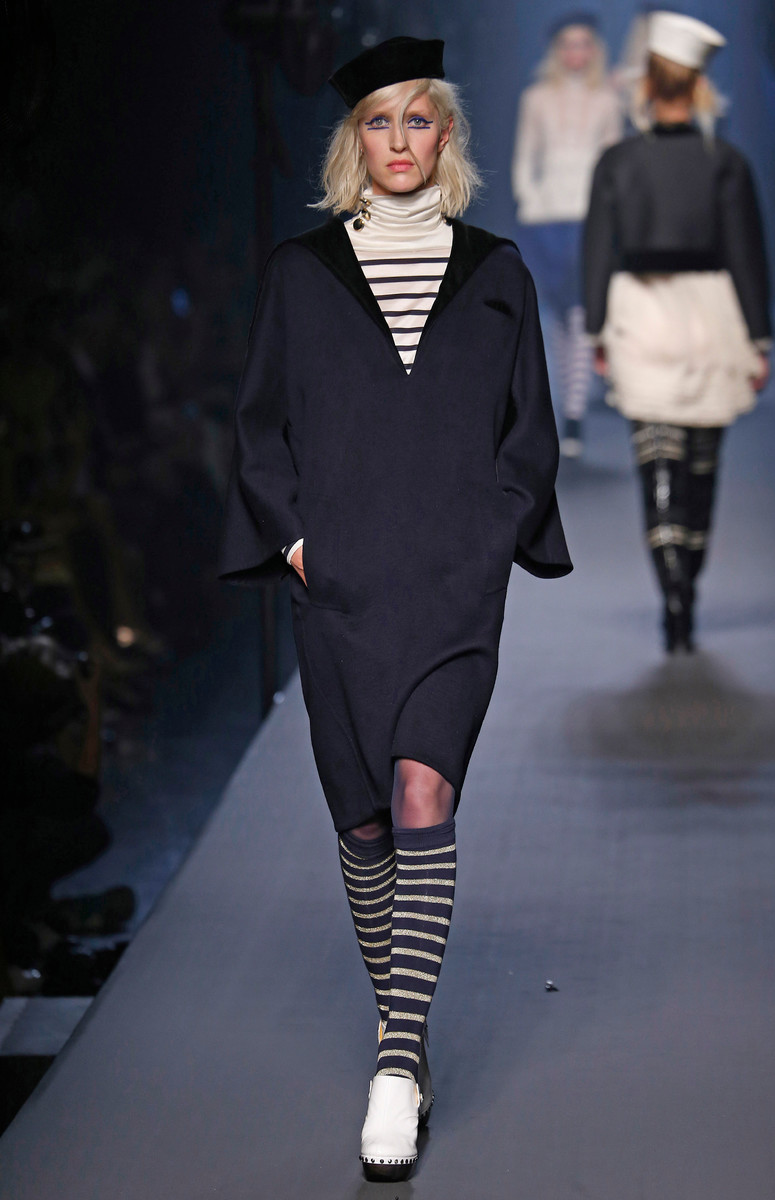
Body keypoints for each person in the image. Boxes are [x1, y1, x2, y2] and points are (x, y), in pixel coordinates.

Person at [219, 36, 571, 1182]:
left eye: (417, 119)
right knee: (365, 824)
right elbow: (259, 428)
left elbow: (528, 433)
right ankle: (405, 1039)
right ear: (353, 141)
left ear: (445, 134)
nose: (399, 140)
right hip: (343, 587)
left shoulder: (496, 273)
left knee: (424, 790)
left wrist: (492, 534)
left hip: (453, 587)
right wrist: (297, 543)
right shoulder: (301, 274)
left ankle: (391, 1064)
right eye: (379, 121)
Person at [583, 12, 771, 653]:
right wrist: (760, 338)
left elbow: (597, 251)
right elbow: (747, 255)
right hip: (713, 313)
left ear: (646, 84)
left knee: (657, 457)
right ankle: (687, 584)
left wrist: (597, 328)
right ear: (699, 85)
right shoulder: (726, 163)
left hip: (639, 311)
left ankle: (674, 597)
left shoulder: (617, 162)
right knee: (702, 463)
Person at [512, 13, 622, 457]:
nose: (576, 52)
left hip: (590, 217)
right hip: (545, 217)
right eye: (568, 44)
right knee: (558, 314)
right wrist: (528, 198)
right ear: (557, 50)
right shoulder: (535, 97)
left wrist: (612, 212)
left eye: (584, 44)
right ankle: (567, 409)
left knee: (579, 311)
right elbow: (525, 154)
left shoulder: (608, 99)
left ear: (594, 50)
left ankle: (574, 414)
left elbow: (614, 161)